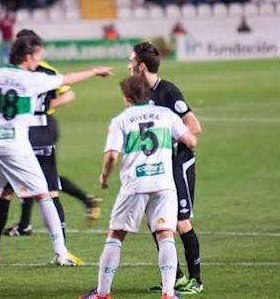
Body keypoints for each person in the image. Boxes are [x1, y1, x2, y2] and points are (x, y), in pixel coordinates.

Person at [0, 31, 113, 265]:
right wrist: (94, 71)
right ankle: (61, 253)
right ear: (28, 56)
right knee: (43, 195)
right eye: (38, 57)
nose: (38, 62)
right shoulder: (32, 79)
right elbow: (68, 80)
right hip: (15, 147)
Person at [78, 75, 197, 299]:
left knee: (116, 234)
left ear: (127, 97)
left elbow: (112, 155)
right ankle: (169, 293)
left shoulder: (121, 120)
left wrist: (104, 177)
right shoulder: (166, 114)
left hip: (135, 184)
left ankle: (102, 294)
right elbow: (191, 140)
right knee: (165, 234)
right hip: (164, 184)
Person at [129, 42, 204, 294]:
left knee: (181, 222)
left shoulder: (168, 92)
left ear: (141, 66)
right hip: (155, 166)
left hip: (177, 163)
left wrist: (171, 139)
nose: (128, 67)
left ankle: (196, 280)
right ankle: (176, 277)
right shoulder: (138, 93)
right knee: (157, 222)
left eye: (131, 63)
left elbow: (194, 126)